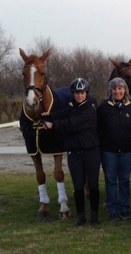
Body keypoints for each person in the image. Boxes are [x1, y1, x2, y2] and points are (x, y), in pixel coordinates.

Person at [42, 78, 100, 226]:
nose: (79, 95)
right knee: (78, 185)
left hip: (91, 152)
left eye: (81, 92)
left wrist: (52, 125)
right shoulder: (72, 108)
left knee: (93, 184)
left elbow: (72, 124)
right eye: (76, 93)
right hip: (74, 153)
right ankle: (81, 215)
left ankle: (94, 214)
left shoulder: (90, 109)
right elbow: (62, 114)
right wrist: (47, 116)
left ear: (86, 93)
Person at [97, 77, 131, 221]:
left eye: (120, 88)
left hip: (127, 150)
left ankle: (124, 209)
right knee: (110, 180)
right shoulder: (103, 107)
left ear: (125, 90)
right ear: (110, 90)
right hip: (108, 151)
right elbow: (98, 128)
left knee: (124, 180)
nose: (117, 91)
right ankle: (112, 210)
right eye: (115, 88)